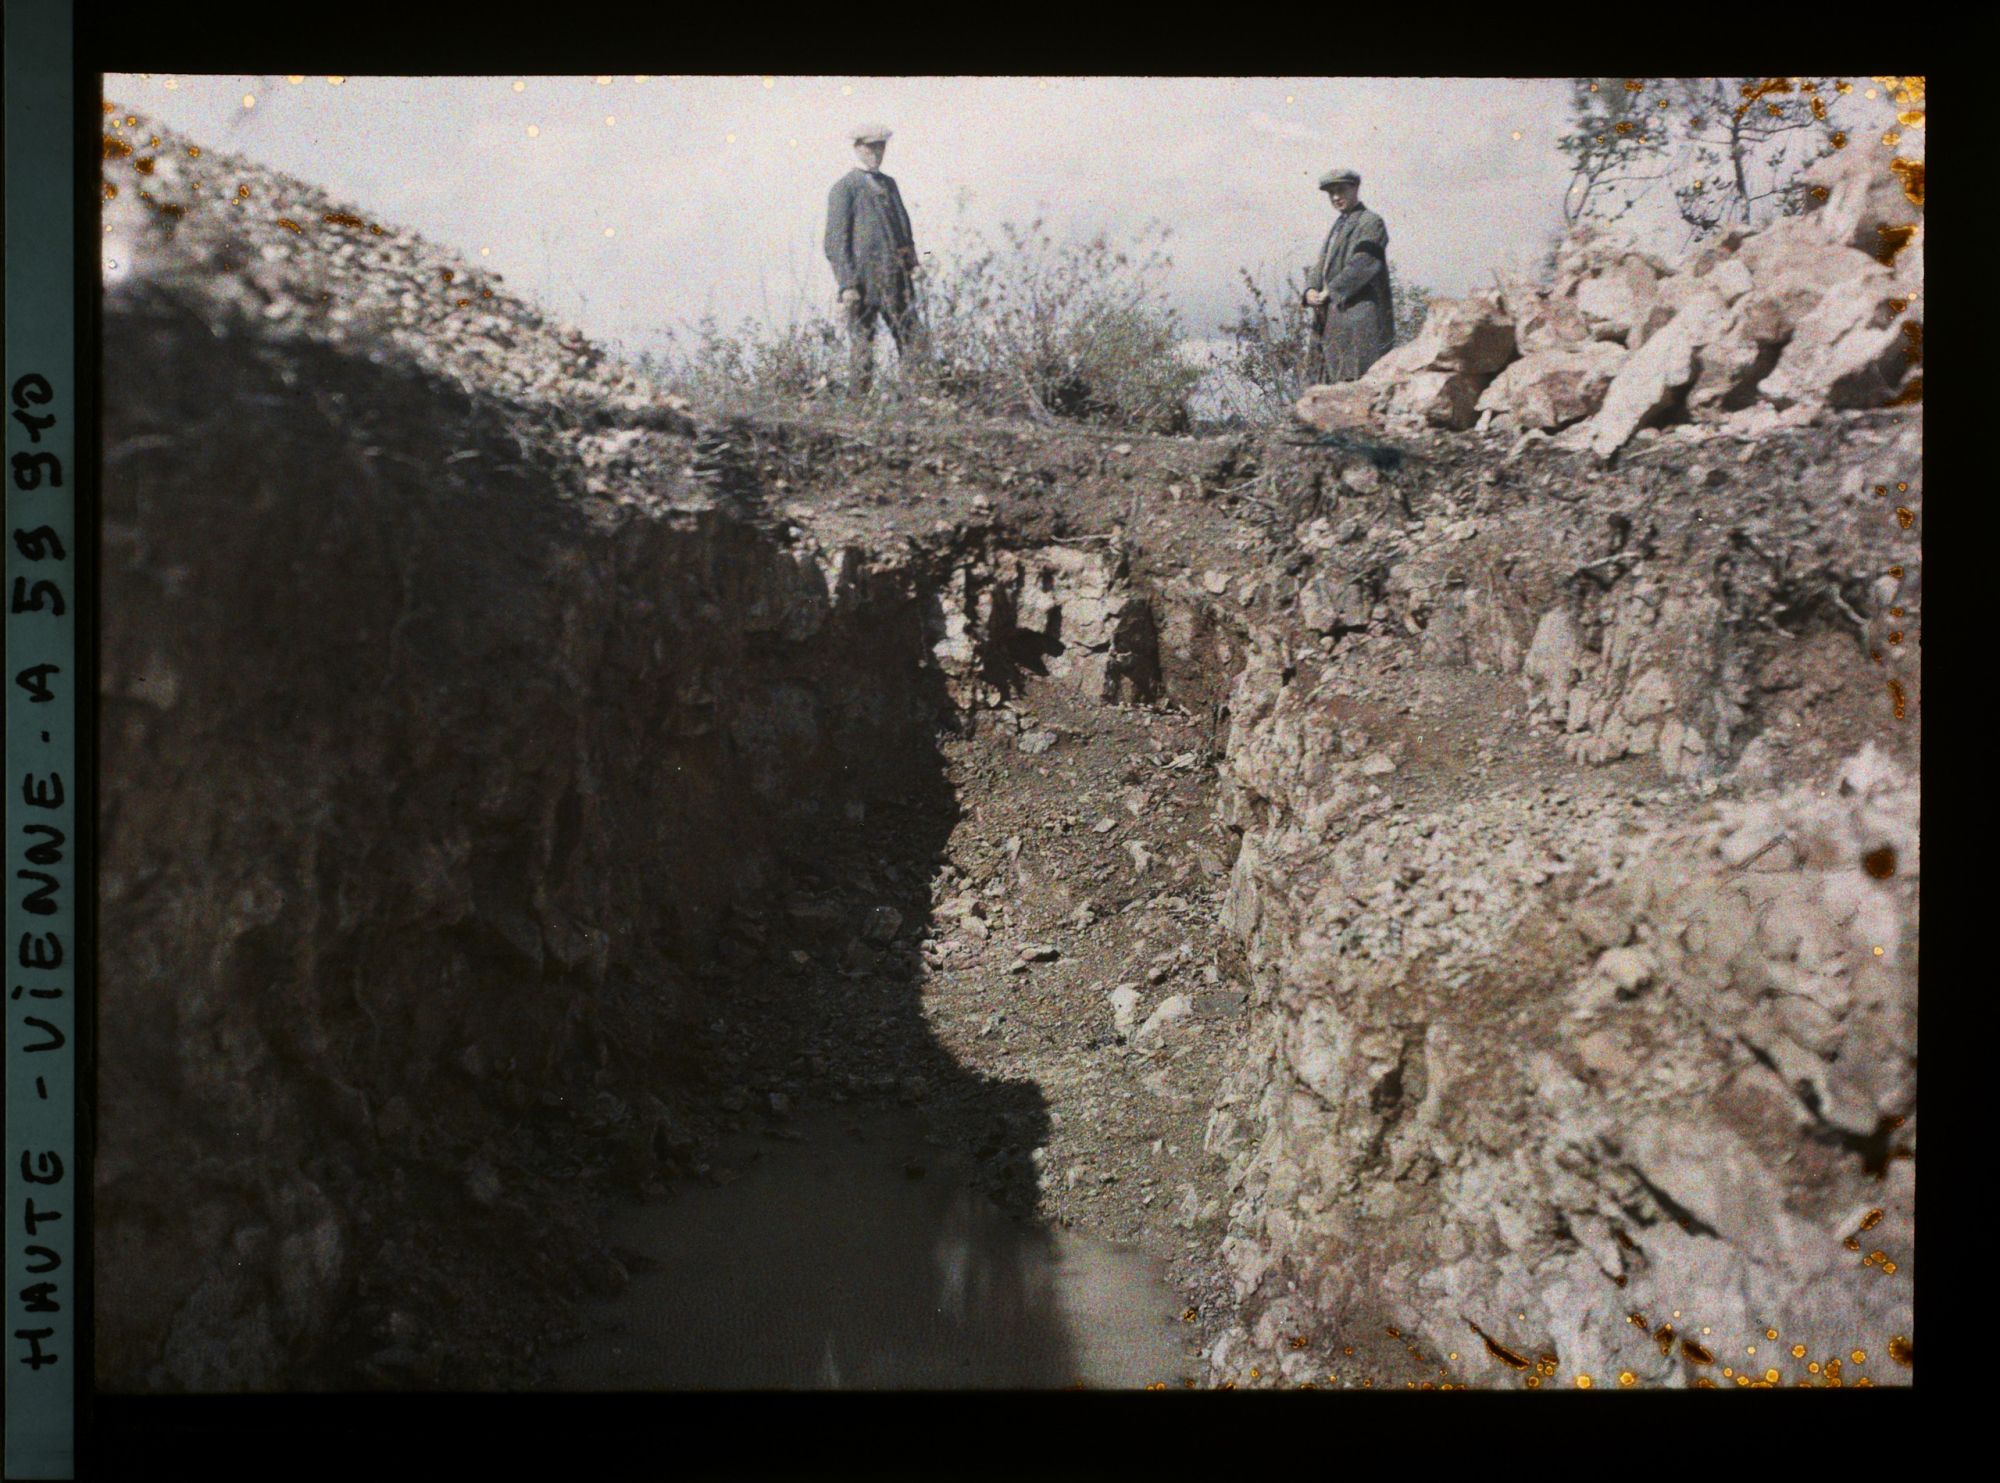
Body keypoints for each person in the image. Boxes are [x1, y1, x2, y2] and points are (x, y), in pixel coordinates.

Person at [824, 125, 928, 393]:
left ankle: (912, 401)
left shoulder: (889, 184)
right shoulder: (844, 188)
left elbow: (903, 229)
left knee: (913, 341)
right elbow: (835, 242)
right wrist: (847, 284)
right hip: (863, 285)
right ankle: (858, 407)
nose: (876, 154)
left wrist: (913, 264)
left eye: (880, 147)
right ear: (857, 148)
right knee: (862, 348)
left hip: (896, 280)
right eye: (870, 148)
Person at [1302, 167, 1393, 382]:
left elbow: (1364, 263)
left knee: (1356, 381)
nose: (1335, 197)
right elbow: (1321, 265)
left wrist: (1331, 290)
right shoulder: (1337, 226)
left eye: (1341, 190)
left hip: (1358, 320)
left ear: (1355, 189)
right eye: (1331, 193)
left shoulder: (1371, 222)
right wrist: (1310, 289)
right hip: (1331, 319)